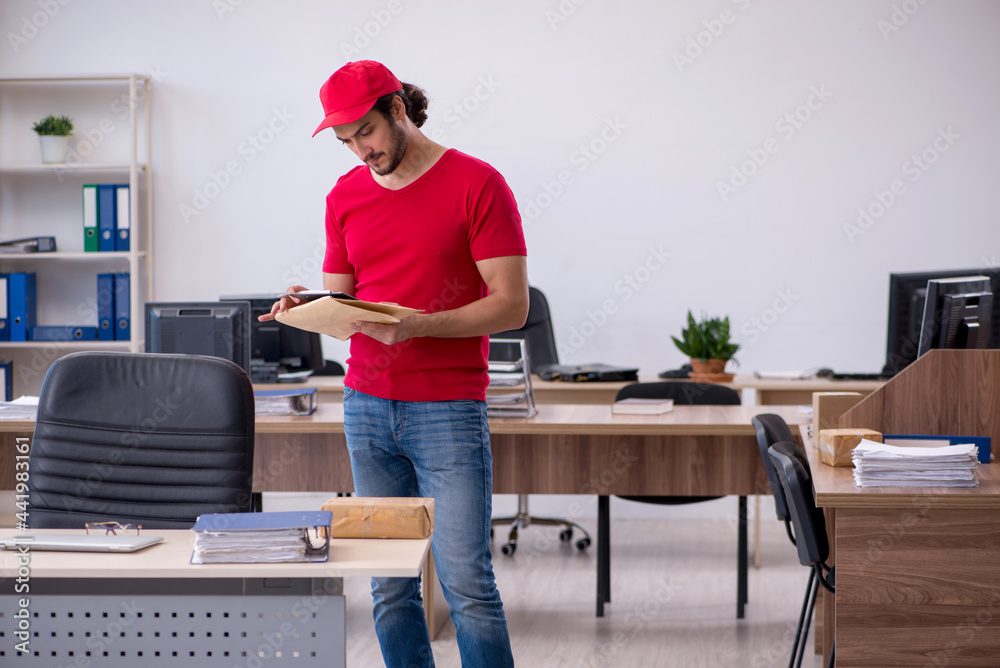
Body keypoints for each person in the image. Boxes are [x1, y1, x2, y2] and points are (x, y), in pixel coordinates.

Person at [262, 60, 527, 667]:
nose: (360, 150)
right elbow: (345, 300)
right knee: (388, 584)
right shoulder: (345, 195)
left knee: (466, 584)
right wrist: (307, 306)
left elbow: (511, 306)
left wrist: (421, 324)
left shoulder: (477, 183)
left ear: (399, 110)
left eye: (366, 133)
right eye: (345, 140)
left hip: (448, 409)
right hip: (367, 406)